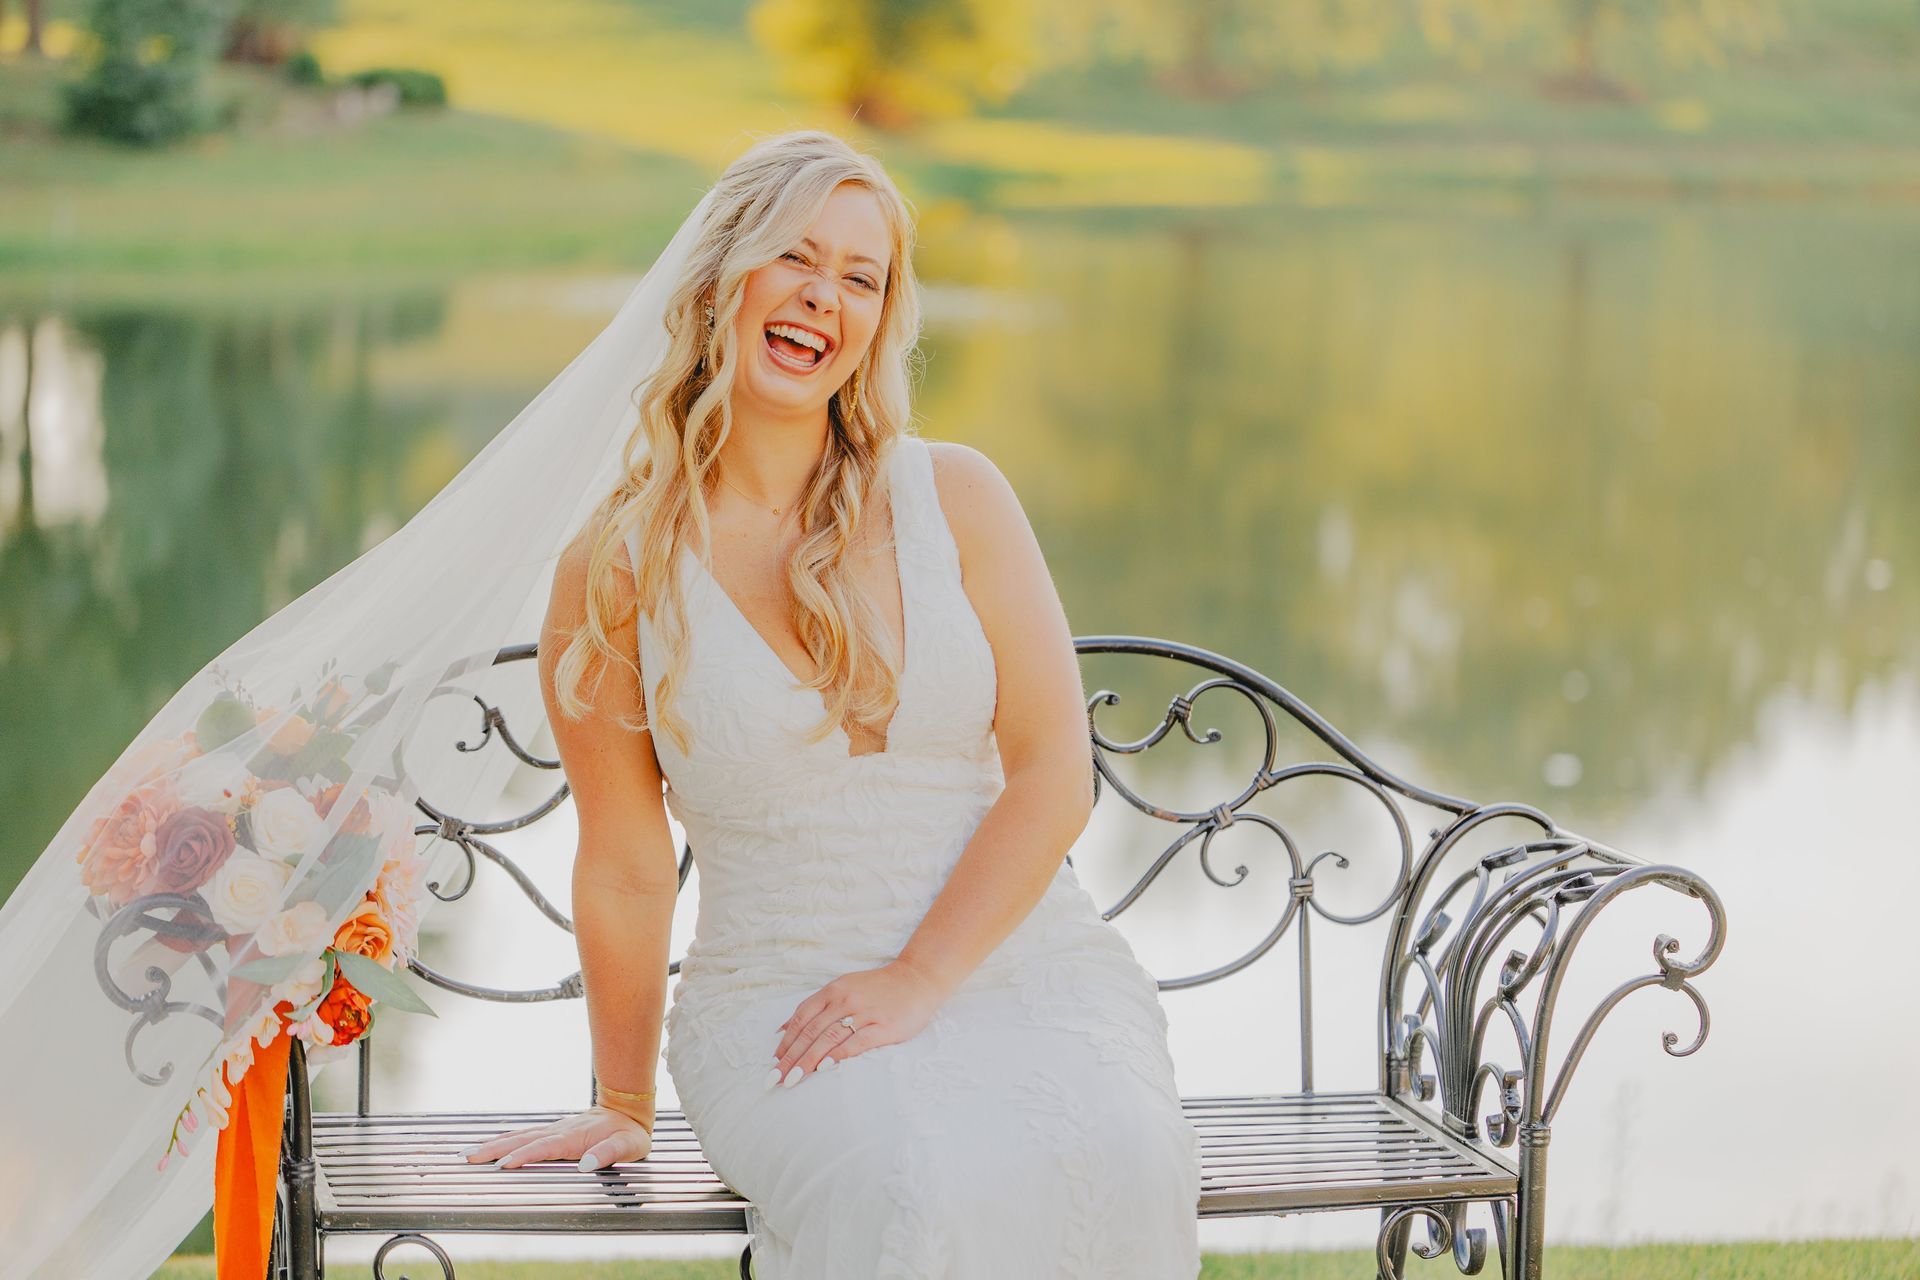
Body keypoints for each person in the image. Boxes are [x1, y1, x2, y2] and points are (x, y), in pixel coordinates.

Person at [456, 131, 1204, 1274]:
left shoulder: (958, 496)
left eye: (862, 277)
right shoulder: (617, 563)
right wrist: (621, 1096)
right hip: (779, 1000)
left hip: (1019, 964)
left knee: (1124, 1150)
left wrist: (922, 977)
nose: (824, 296)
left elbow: (1056, 770)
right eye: (796, 257)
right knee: (906, 1181)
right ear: (720, 277)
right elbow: (622, 858)